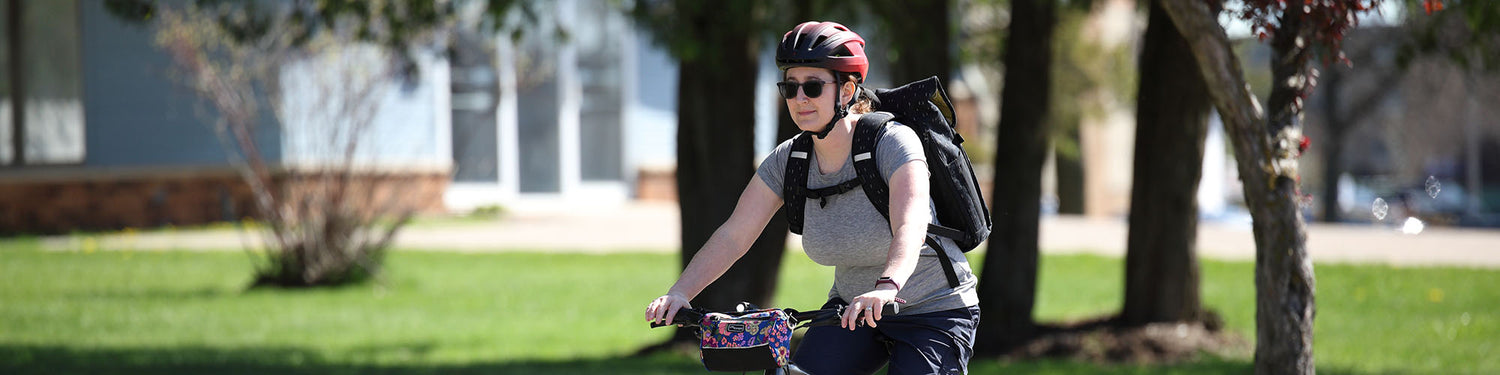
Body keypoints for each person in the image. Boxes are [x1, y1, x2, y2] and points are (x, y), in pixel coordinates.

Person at [644, 21, 980, 374]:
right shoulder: (790, 160)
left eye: (813, 86)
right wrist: (680, 292)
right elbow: (734, 235)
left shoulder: (893, 143)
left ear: (847, 90)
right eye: (790, 88)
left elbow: (911, 226)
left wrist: (887, 286)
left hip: (935, 309)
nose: (800, 99)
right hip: (851, 311)